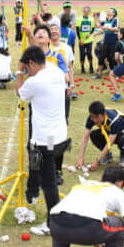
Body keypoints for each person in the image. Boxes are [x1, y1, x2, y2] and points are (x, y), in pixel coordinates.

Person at [17, 45, 71, 232]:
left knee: (49, 182)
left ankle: (52, 223)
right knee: (42, 169)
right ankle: (32, 192)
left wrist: (18, 73)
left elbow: (20, 93)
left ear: (31, 63)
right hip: (58, 136)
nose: (27, 71)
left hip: (44, 137)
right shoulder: (56, 71)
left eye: (27, 68)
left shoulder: (34, 82)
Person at [75, 101, 124, 171]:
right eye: (92, 117)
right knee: (93, 135)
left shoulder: (114, 120)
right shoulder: (91, 117)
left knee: (123, 140)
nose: (94, 120)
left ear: (104, 115)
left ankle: (123, 155)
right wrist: (81, 157)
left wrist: (97, 161)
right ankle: (108, 156)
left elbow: (109, 143)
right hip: (111, 132)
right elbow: (85, 137)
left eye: (97, 117)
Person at [76, 5, 95, 74]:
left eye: (87, 11)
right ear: (83, 11)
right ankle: (82, 68)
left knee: (89, 53)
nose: (86, 12)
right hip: (82, 40)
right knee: (82, 54)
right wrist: (80, 39)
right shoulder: (79, 19)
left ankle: (91, 66)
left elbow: (93, 28)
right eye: (85, 11)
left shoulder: (91, 19)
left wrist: (90, 34)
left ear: (89, 12)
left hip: (89, 40)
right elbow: (77, 30)